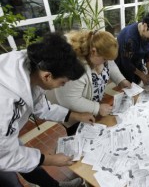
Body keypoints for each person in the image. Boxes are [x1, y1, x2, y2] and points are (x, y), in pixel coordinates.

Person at [0, 33, 96, 186]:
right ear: (47, 76)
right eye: (62, 83)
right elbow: (6, 157)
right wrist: (51, 159)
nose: (62, 86)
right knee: (10, 180)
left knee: (28, 163)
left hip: (4, 139)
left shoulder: (35, 63)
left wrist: (77, 116)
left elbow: (42, 107)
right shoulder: (6, 103)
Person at [54, 30, 131, 135]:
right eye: (104, 59)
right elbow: (69, 100)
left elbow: (110, 64)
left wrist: (121, 80)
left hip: (91, 108)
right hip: (75, 115)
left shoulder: (100, 55)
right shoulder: (75, 67)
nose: (106, 61)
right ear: (94, 51)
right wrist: (97, 108)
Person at [115, 10, 149, 85]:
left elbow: (148, 50)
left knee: (138, 84)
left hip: (136, 62)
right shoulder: (130, 39)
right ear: (145, 26)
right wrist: (141, 74)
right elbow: (126, 62)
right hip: (124, 66)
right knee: (129, 87)